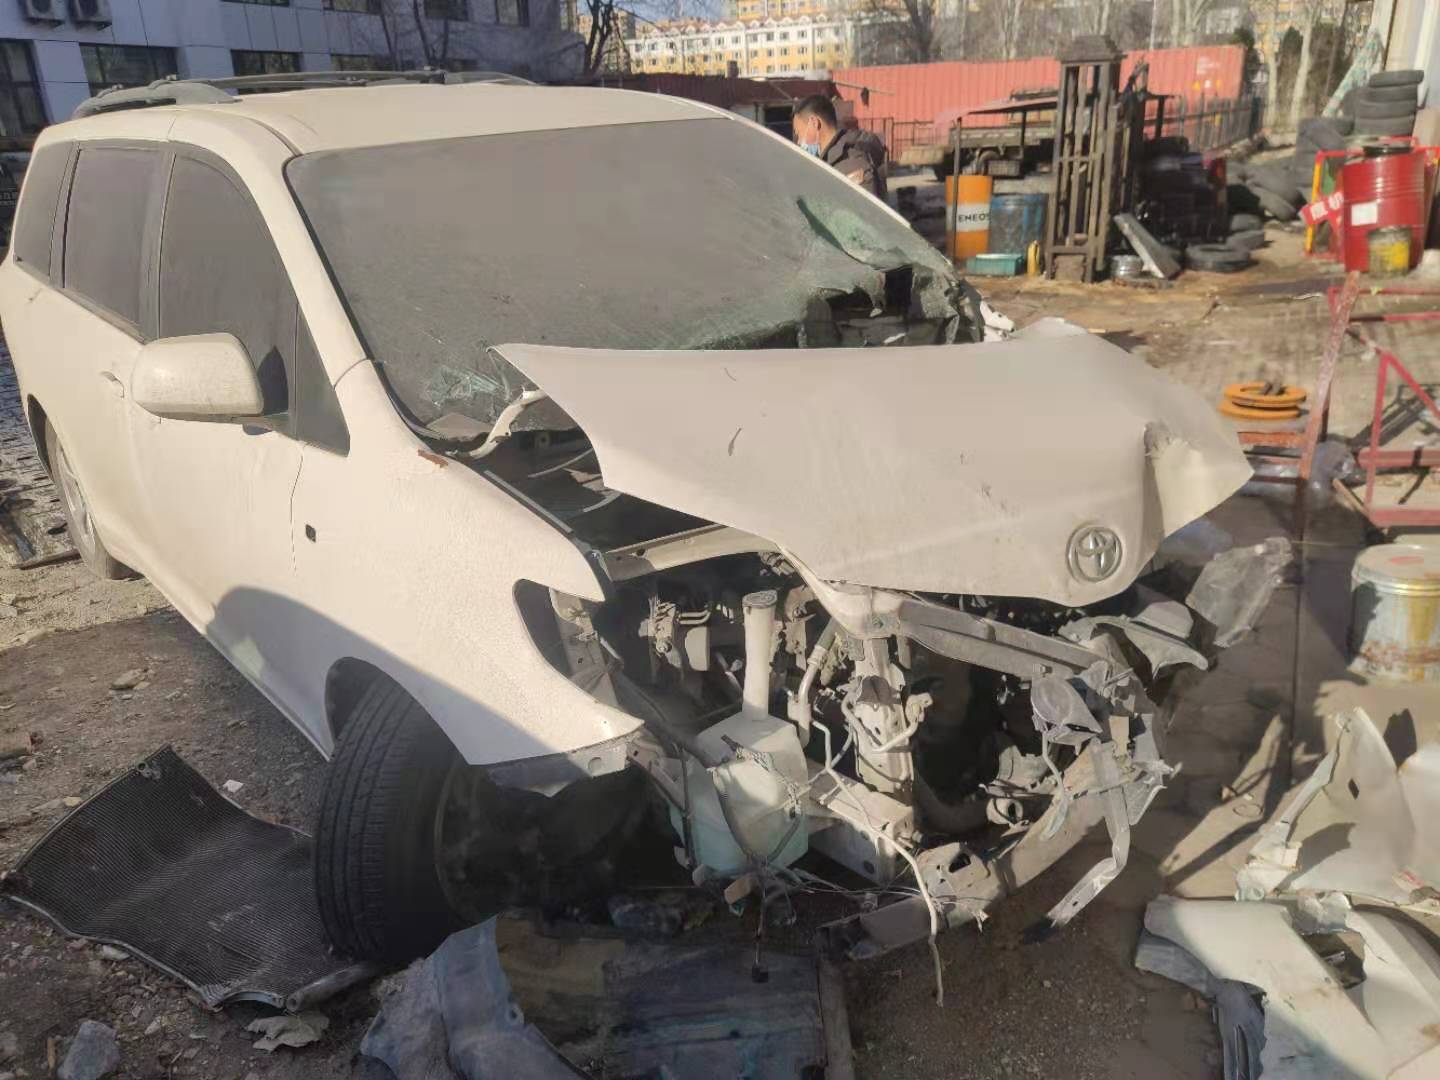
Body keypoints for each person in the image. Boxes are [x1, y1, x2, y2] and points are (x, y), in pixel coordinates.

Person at [791, 94, 888, 201]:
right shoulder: (831, 160)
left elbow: (860, 209)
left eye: (799, 133)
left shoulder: (851, 163)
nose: (799, 142)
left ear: (814, 123)